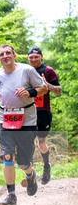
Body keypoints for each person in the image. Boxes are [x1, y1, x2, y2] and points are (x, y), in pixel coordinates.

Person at [0, 44, 48, 205]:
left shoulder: (26, 70)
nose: (5, 56)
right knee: (7, 156)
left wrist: (30, 92)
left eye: (8, 53)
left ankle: (30, 174)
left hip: (26, 119)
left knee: (23, 162)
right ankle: (11, 195)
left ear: (14, 55)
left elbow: (44, 89)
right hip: (4, 118)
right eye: (1, 54)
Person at [27, 47, 62, 184]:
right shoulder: (24, 70)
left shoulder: (48, 71)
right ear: (27, 58)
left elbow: (58, 91)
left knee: (41, 142)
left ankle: (46, 166)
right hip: (28, 111)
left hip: (43, 111)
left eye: (36, 57)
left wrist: (47, 85)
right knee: (28, 142)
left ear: (41, 56)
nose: (34, 59)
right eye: (31, 57)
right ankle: (29, 174)